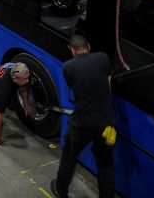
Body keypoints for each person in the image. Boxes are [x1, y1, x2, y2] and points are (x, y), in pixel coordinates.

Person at [51, 35, 115, 198]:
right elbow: (108, 86)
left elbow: (76, 88)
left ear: (72, 50)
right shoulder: (103, 58)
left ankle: (61, 191)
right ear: (89, 46)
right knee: (105, 165)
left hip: (80, 124)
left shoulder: (68, 67)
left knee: (69, 159)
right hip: (105, 124)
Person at [0, 61, 34, 148]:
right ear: (15, 78)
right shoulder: (4, 89)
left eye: (27, 77)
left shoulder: (21, 71)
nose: (27, 80)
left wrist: (26, 105)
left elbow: (24, 88)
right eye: (24, 79)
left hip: (1, 83)